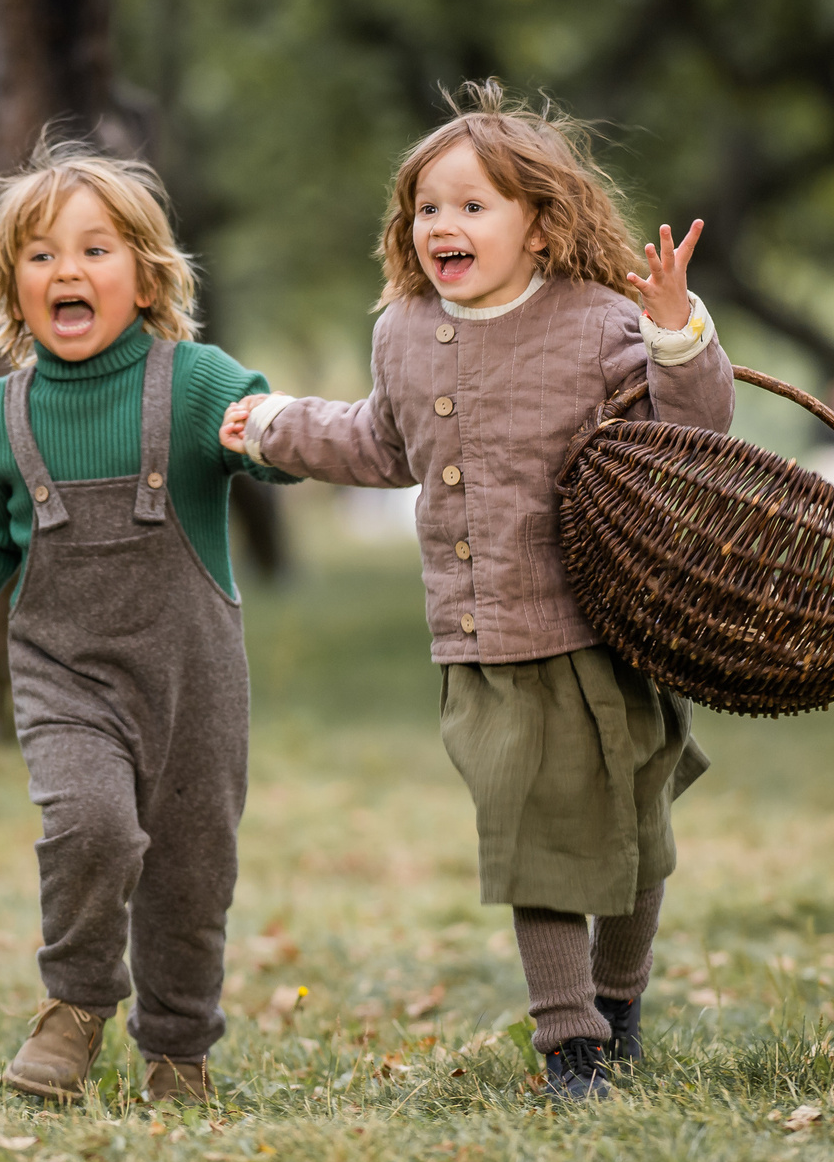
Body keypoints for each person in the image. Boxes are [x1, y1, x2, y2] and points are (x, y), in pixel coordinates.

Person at [221, 81, 734, 1102]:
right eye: (425, 208)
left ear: (539, 227)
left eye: (471, 205)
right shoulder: (404, 331)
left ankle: (619, 1002)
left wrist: (677, 332)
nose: (440, 225)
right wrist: (272, 425)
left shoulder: (598, 322)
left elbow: (694, 435)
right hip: (487, 639)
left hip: (606, 627)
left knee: (636, 835)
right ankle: (570, 1045)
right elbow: (379, 440)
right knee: (532, 843)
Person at [0, 145, 294, 1105]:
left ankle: (179, 1053)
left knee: (193, 877)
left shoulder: (193, 380)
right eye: (38, 255)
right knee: (91, 827)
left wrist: (269, 431)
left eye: (94, 249)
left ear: (146, 276)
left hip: (193, 682)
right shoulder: (0, 412)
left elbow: (269, 441)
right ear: (9, 286)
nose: (66, 270)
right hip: (65, 674)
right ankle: (72, 1010)